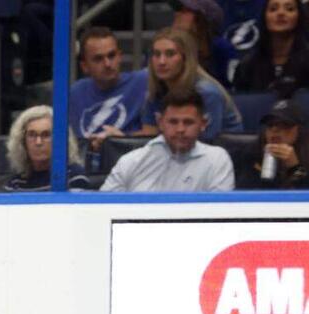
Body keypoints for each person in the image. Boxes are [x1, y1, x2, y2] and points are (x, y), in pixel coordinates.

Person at [101, 90, 234, 192]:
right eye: (173, 122)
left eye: (188, 122)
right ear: (160, 122)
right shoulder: (131, 162)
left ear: (203, 123)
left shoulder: (217, 160)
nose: (180, 129)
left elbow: (221, 213)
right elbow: (102, 208)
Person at [139, 27, 242, 141]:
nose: (161, 61)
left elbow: (205, 144)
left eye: (170, 54)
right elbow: (147, 138)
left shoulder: (207, 93)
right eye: (156, 54)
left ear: (186, 59)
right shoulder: (156, 92)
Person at [69, 27, 148, 152]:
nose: (107, 64)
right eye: (98, 59)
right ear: (84, 66)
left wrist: (121, 140)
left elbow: (155, 136)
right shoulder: (74, 93)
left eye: (111, 56)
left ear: (120, 56)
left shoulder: (143, 82)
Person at [232, 0, 309, 97]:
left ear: (299, 16)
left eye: (289, 9)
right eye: (273, 9)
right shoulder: (247, 66)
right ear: (264, 17)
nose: (281, 13)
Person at [4, 105, 89, 191]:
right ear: (22, 140)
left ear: (60, 139)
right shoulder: (16, 182)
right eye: (32, 135)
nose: (38, 142)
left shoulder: (73, 177)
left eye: (46, 135)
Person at [236, 99, 309, 189]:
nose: (274, 129)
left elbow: (304, 193)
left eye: (284, 124)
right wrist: (266, 168)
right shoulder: (253, 152)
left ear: (299, 130)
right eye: (270, 125)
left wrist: (295, 168)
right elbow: (244, 192)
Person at [171, 0, 234, 87]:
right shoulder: (168, 46)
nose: (177, 14)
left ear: (200, 19)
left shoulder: (221, 48)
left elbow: (231, 87)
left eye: (185, 11)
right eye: (178, 9)